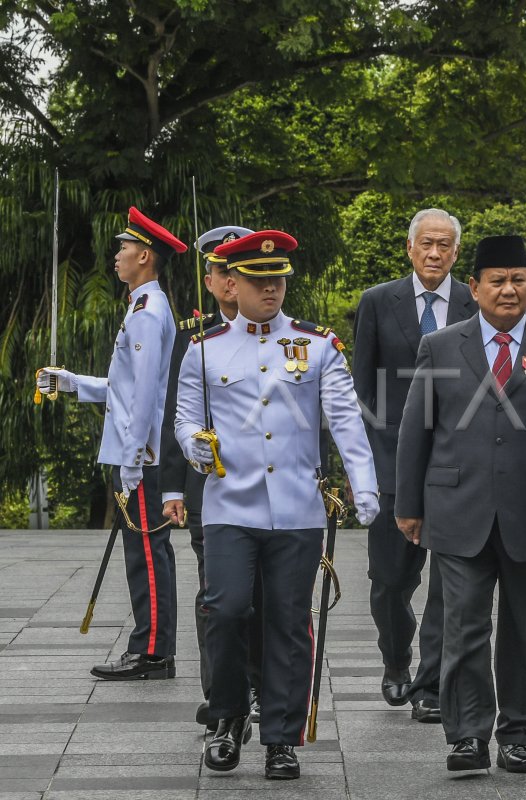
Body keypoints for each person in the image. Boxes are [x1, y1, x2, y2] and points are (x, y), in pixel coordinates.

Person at [394, 235, 526, 774]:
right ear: (476, 287)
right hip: (457, 508)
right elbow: (415, 430)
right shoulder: (442, 347)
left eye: (518, 279)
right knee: (463, 628)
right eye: (498, 280)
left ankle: (519, 733)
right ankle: (466, 734)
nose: (509, 290)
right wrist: (409, 503)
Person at [175, 229, 378, 780]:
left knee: (288, 621)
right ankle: (226, 718)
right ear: (230, 284)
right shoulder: (203, 349)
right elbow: (186, 417)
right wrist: (194, 443)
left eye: (278, 281)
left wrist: (365, 486)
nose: (271, 290)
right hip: (228, 505)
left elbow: (344, 418)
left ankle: (282, 738)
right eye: (258, 281)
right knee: (227, 608)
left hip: (296, 507)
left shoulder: (317, 345)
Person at [37, 207, 186, 680]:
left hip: (140, 453)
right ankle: (149, 646)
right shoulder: (144, 307)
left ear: (144, 255)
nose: (116, 255)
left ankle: (153, 654)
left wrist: (134, 459)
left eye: (123, 248)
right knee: (143, 554)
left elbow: (145, 396)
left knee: (147, 553)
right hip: (139, 449)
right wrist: (70, 382)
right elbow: (125, 388)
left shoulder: (147, 313)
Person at [353, 208, 476, 721]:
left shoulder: (476, 302)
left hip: (456, 463)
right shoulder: (379, 302)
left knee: (452, 582)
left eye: (444, 245)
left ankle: (430, 683)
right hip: (390, 462)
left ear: (455, 252)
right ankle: (396, 658)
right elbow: (360, 389)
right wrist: (359, 465)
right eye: (426, 244)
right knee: (389, 581)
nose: (434, 254)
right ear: (409, 248)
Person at [159, 225, 264, 728]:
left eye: (236, 271)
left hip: (269, 491)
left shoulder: (284, 333)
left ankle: (263, 686)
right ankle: (221, 694)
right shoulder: (191, 337)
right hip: (211, 488)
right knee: (217, 598)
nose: (229, 281)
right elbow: (173, 414)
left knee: (263, 597)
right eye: (221, 272)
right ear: (210, 280)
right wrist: (174, 485)